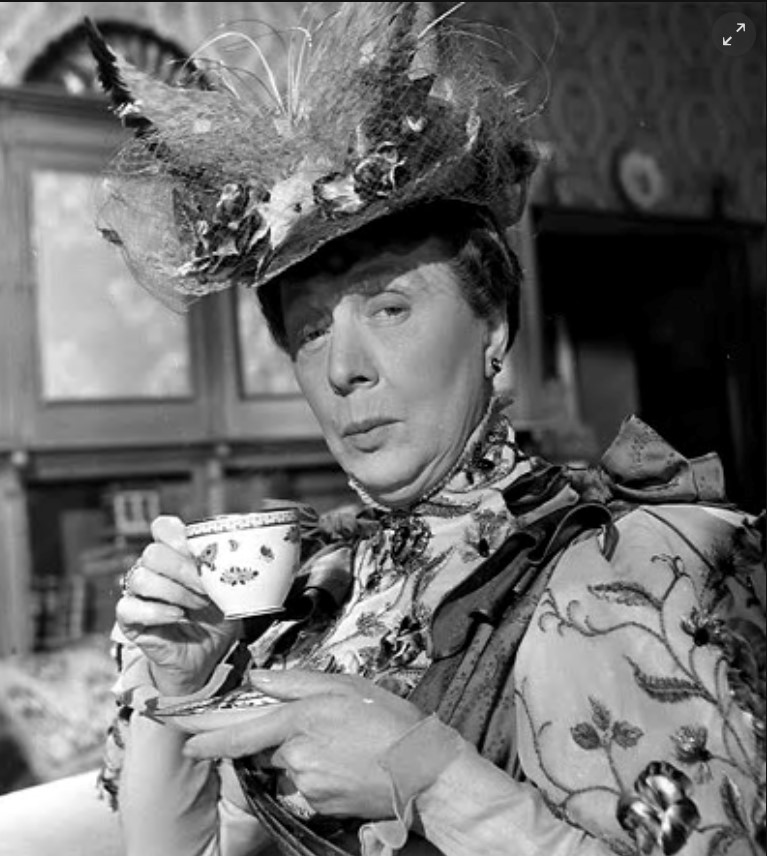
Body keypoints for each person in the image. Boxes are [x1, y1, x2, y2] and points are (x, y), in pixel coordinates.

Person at [81, 3, 765, 856]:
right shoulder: (310, 590)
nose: (344, 368)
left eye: (391, 308)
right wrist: (181, 685)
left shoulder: (620, 571)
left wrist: (431, 778)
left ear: (492, 332)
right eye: (310, 331)